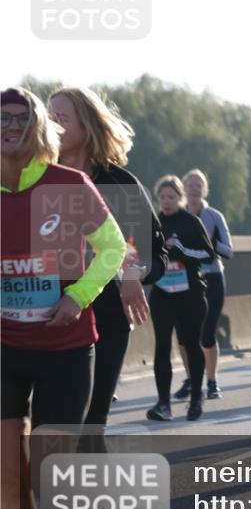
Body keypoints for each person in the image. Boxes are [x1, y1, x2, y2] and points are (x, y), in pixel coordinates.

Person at [2, 87, 127, 509]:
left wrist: (77, 297)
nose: (9, 126)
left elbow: (113, 247)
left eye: (19, 118)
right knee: (8, 485)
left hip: (66, 347)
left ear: (37, 127)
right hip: (4, 349)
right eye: (0, 119)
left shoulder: (69, 184)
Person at [49, 87, 169, 431]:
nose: (52, 125)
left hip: (107, 317)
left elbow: (153, 254)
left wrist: (133, 272)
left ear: (86, 127)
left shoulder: (119, 183)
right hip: (49, 313)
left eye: (61, 118)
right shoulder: (36, 179)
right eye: (49, 118)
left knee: (91, 421)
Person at [147, 175, 215, 422]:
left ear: (180, 197)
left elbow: (209, 255)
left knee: (191, 343)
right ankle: (163, 403)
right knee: (162, 346)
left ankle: (197, 395)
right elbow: (141, 256)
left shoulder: (191, 222)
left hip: (191, 294)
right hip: (163, 295)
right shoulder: (152, 223)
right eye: (162, 197)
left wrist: (182, 249)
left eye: (171, 197)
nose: (166, 202)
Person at [173, 169, 233, 401]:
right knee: (182, 335)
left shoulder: (214, 217)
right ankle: (191, 380)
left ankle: (211, 381)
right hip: (182, 281)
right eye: (190, 184)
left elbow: (229, 251)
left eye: (199, 185)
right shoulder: (175, 216)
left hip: (212, 278)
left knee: (206, 334)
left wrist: (210, 242)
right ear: (183, 189)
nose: (194, 188)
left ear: (204, 189)